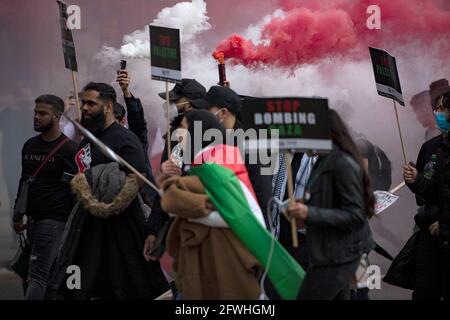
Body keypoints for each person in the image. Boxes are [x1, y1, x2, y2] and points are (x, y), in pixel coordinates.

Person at [48, 82, 168, 299]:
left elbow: (136, 179)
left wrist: (108, 205)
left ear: (108, 107)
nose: (84, 108)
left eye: (91, 103)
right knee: (81, 285)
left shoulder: (125, 139)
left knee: (126, 284)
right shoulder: (88, 138)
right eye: (83, 103)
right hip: (88, 223)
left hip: (121, 226)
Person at [159, 110, 262, 299]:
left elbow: (231, 211)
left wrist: (186, 206)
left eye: (183, 128)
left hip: (224, 256)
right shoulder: (207, 158)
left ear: (199, 130)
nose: (178, 134)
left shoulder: (216, 161)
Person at [286, 109, 375, 300]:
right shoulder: (323, 160)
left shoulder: (343, 163)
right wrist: (307, 204)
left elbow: (355, 215)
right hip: (328, 252)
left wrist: (309, 212)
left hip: (341, 255)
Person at [12, 94, 78, 299]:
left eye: (43, 113)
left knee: (38, 276)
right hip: (32, 220)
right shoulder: (29, 145)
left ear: (57, 116)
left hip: (54, 221)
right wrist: (18, 213)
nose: (36, 117)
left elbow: (79, 188)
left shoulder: (70, 149)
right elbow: (25, 182)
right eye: (35, 112)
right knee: (38, 276)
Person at [143, 79, 207, 262]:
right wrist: (153, 230)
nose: (168, 105)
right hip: (178, 231)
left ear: (189, 106)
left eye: (174, 100)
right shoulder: (174, 137)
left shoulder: (211, 140)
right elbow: (165, 188)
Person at [190, 86, 273, 225]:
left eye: (207, 109)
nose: (202, 114)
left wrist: (261, 240)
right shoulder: (207, 140)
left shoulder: (250, 146)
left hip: (242, 228)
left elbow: (263, 198)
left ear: (223, 113)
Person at [405, 90, 450, 300]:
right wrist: (415, 180)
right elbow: (430, 192)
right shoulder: (430, 147)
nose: (437, 113)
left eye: (442, 109)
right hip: (429, 235)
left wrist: (446, 222)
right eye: (436, 109)